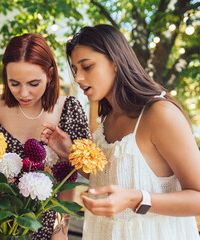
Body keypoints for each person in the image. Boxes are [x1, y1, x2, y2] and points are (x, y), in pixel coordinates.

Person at [40, 24, 200, 239]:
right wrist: (70, 153)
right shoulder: (107, 117)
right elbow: (110, 178)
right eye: (75, 70)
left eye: (87, 67)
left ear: (116, 62)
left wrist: (136, 199)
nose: (77, 78)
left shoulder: (160, 114)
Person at [0, 33, 91, 240]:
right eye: (14, 83)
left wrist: (60, 232)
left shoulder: (70, 108)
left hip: (49, 230)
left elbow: (80, 175)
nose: (23, 93)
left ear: (50, 75)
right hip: (2, 228)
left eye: (33, 84)